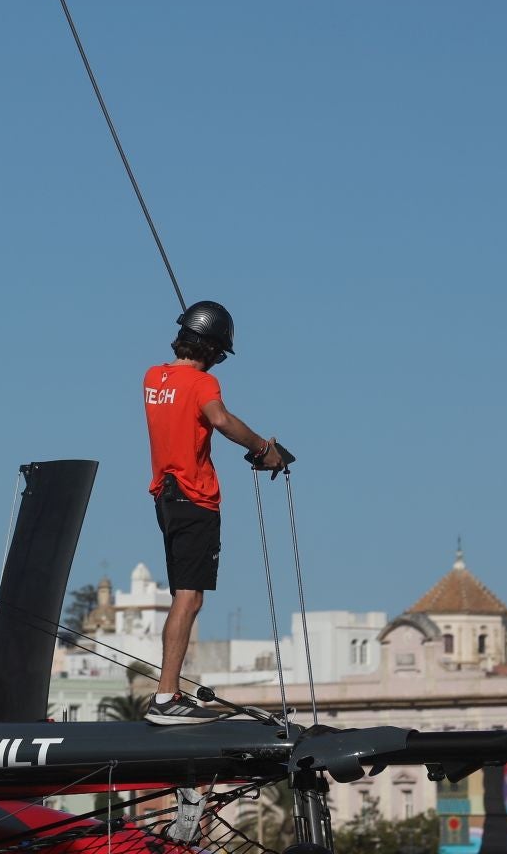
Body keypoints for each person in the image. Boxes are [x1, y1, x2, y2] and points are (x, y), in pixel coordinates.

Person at [141, 300, 290, 726]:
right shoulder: (203, 383)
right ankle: (166, 697)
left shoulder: (153, 377)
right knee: (189, 598)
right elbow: (220, 420)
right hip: (195, 499)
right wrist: (263, 449)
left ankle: (167, 693)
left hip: (165, 498)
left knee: (183, 596)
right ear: (211, 350)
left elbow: (185, 398)